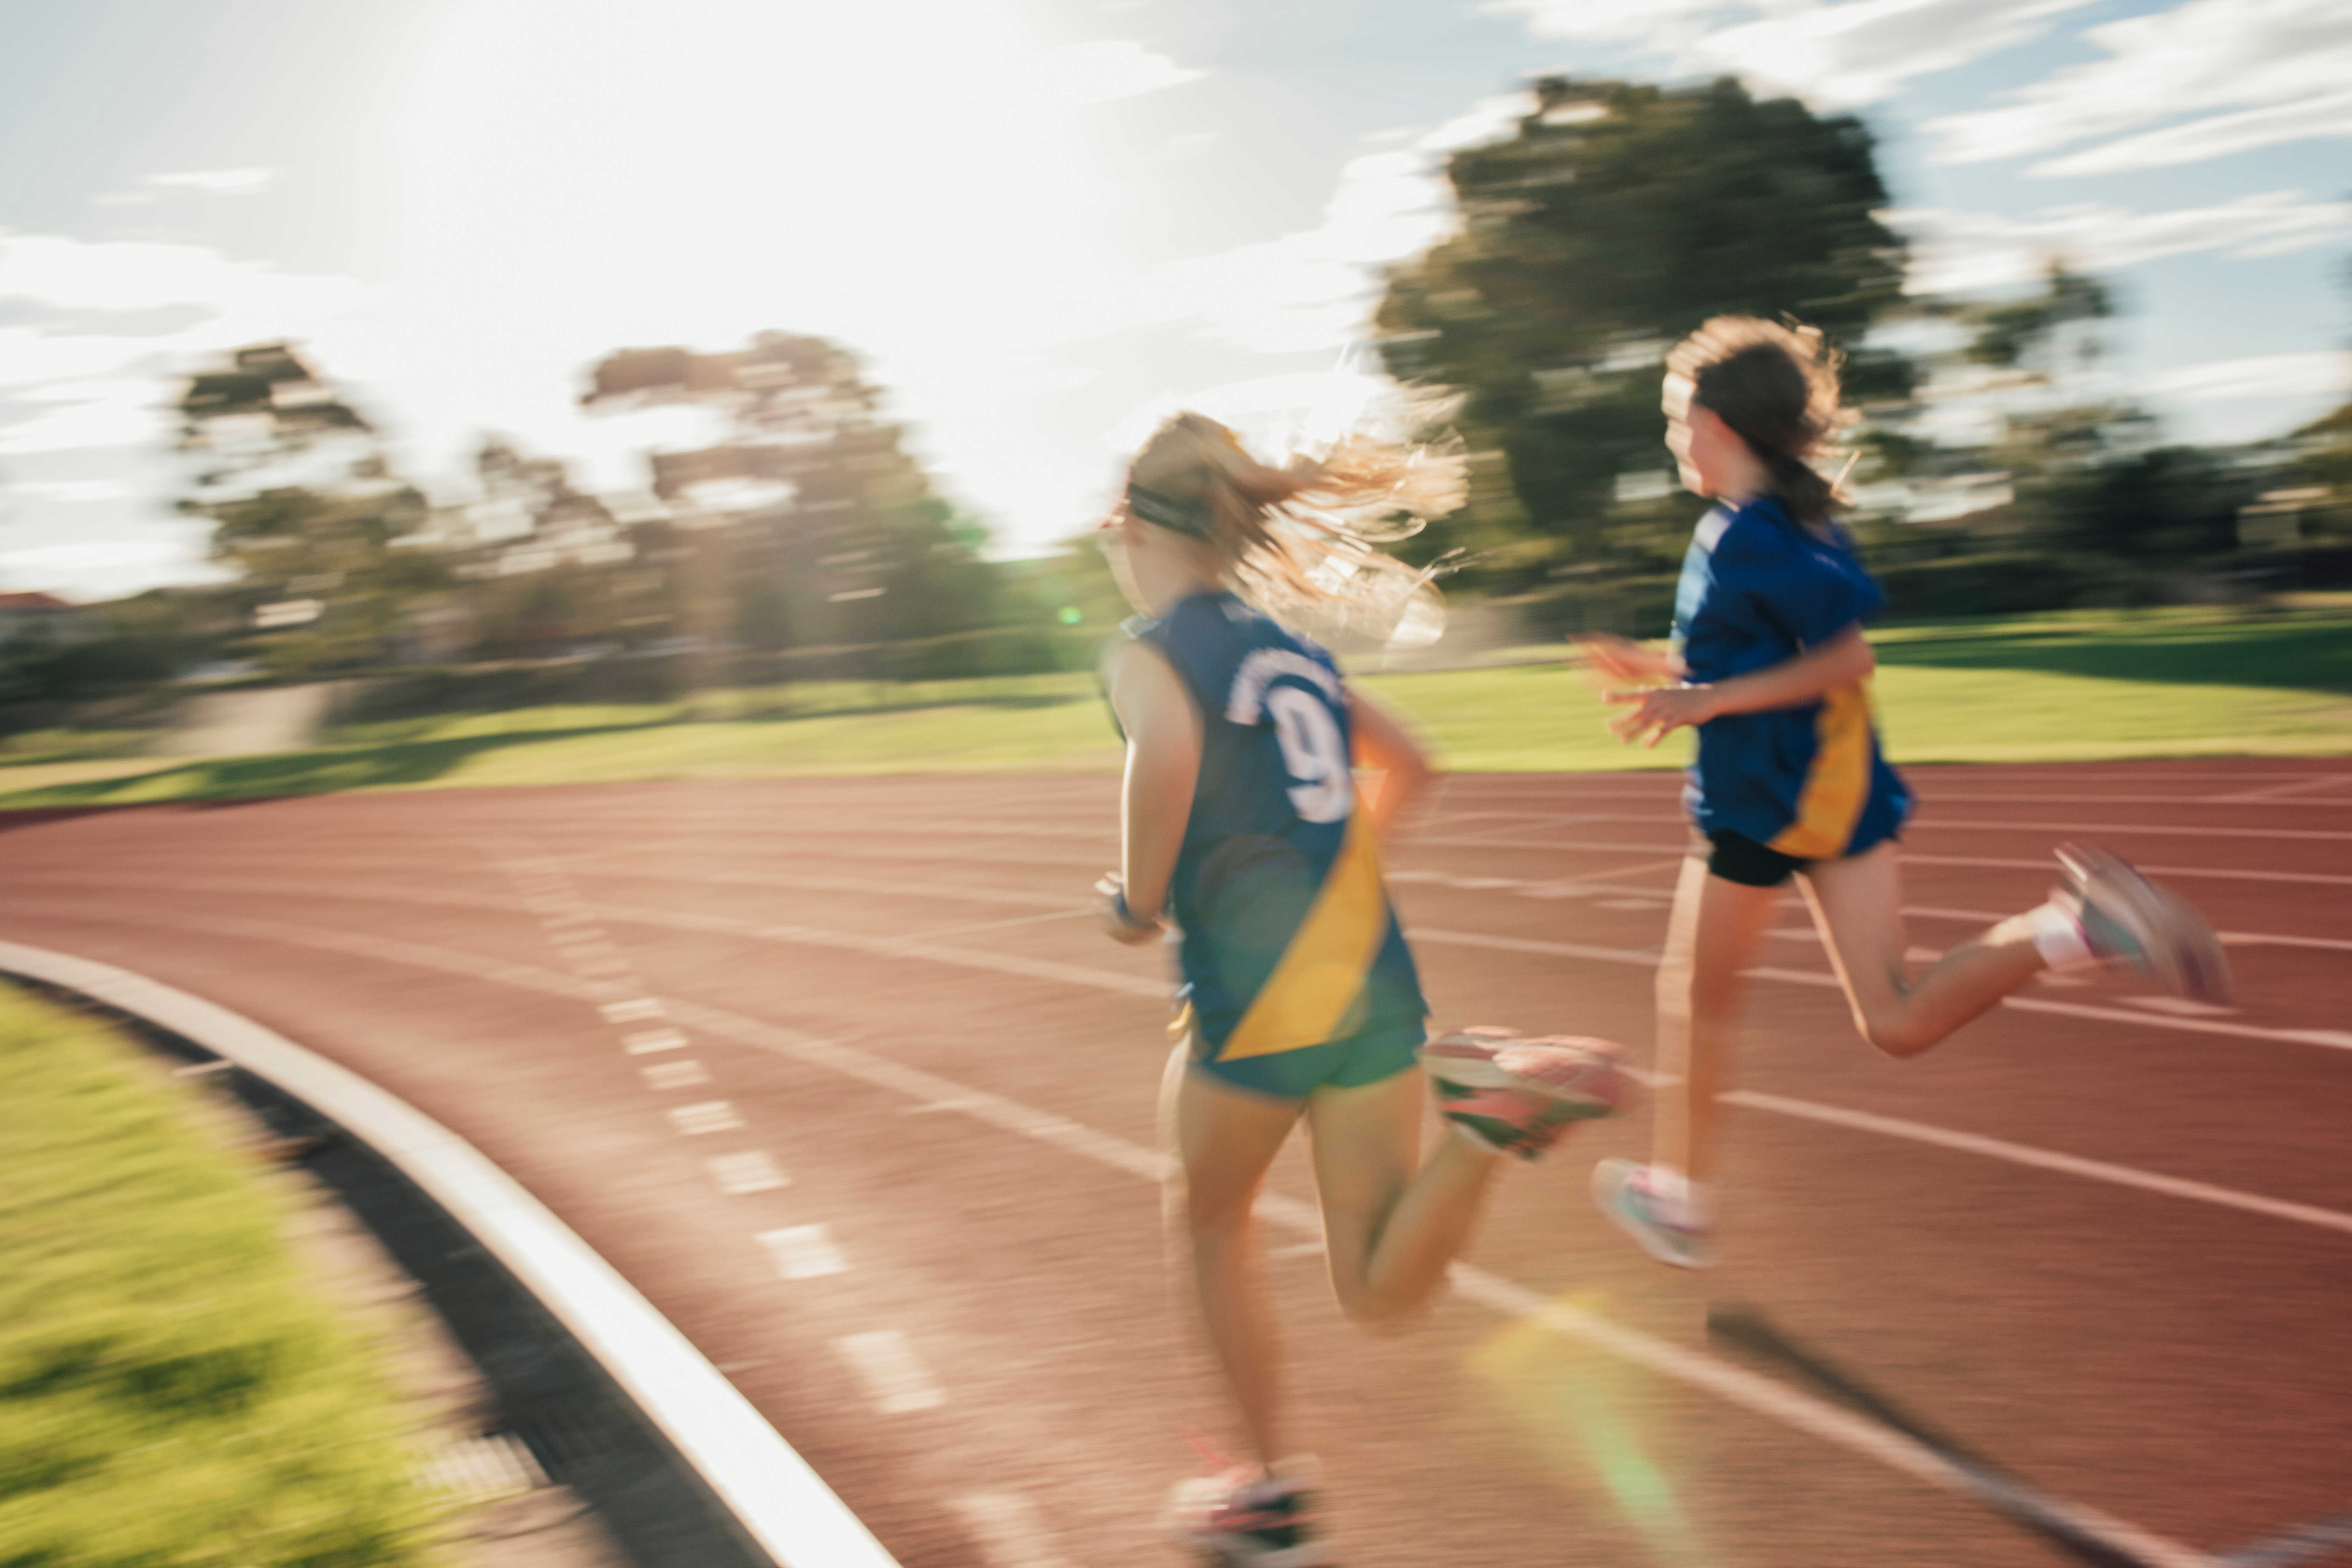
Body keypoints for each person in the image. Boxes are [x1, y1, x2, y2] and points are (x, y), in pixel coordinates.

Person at [1579, 316, 2233, 1271]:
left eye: (1679, 422)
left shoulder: (1742, 533)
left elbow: (1845, 659)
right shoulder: (1796, 523)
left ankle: (1679, 1201)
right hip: (1833, 794)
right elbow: (1766, 652)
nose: (1674, 440)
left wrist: (1706, 700)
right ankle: (2078, 928)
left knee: (1697, 998)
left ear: (1718, 426)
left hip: (1767, 799)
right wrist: (1666, 669)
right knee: (1893, 1017)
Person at [1095, 412, 1630, 1567]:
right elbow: (1416, 762)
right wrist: (1334, 884)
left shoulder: (1151, 647)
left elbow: (1167, 760)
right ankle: (1482, 1134)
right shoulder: (1290, 649)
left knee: (1206, 1221)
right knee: (1380, 1281)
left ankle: (1270, 1498)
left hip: (1259, 988)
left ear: (1134, 522)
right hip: (1369, 970)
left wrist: (1137, 903)